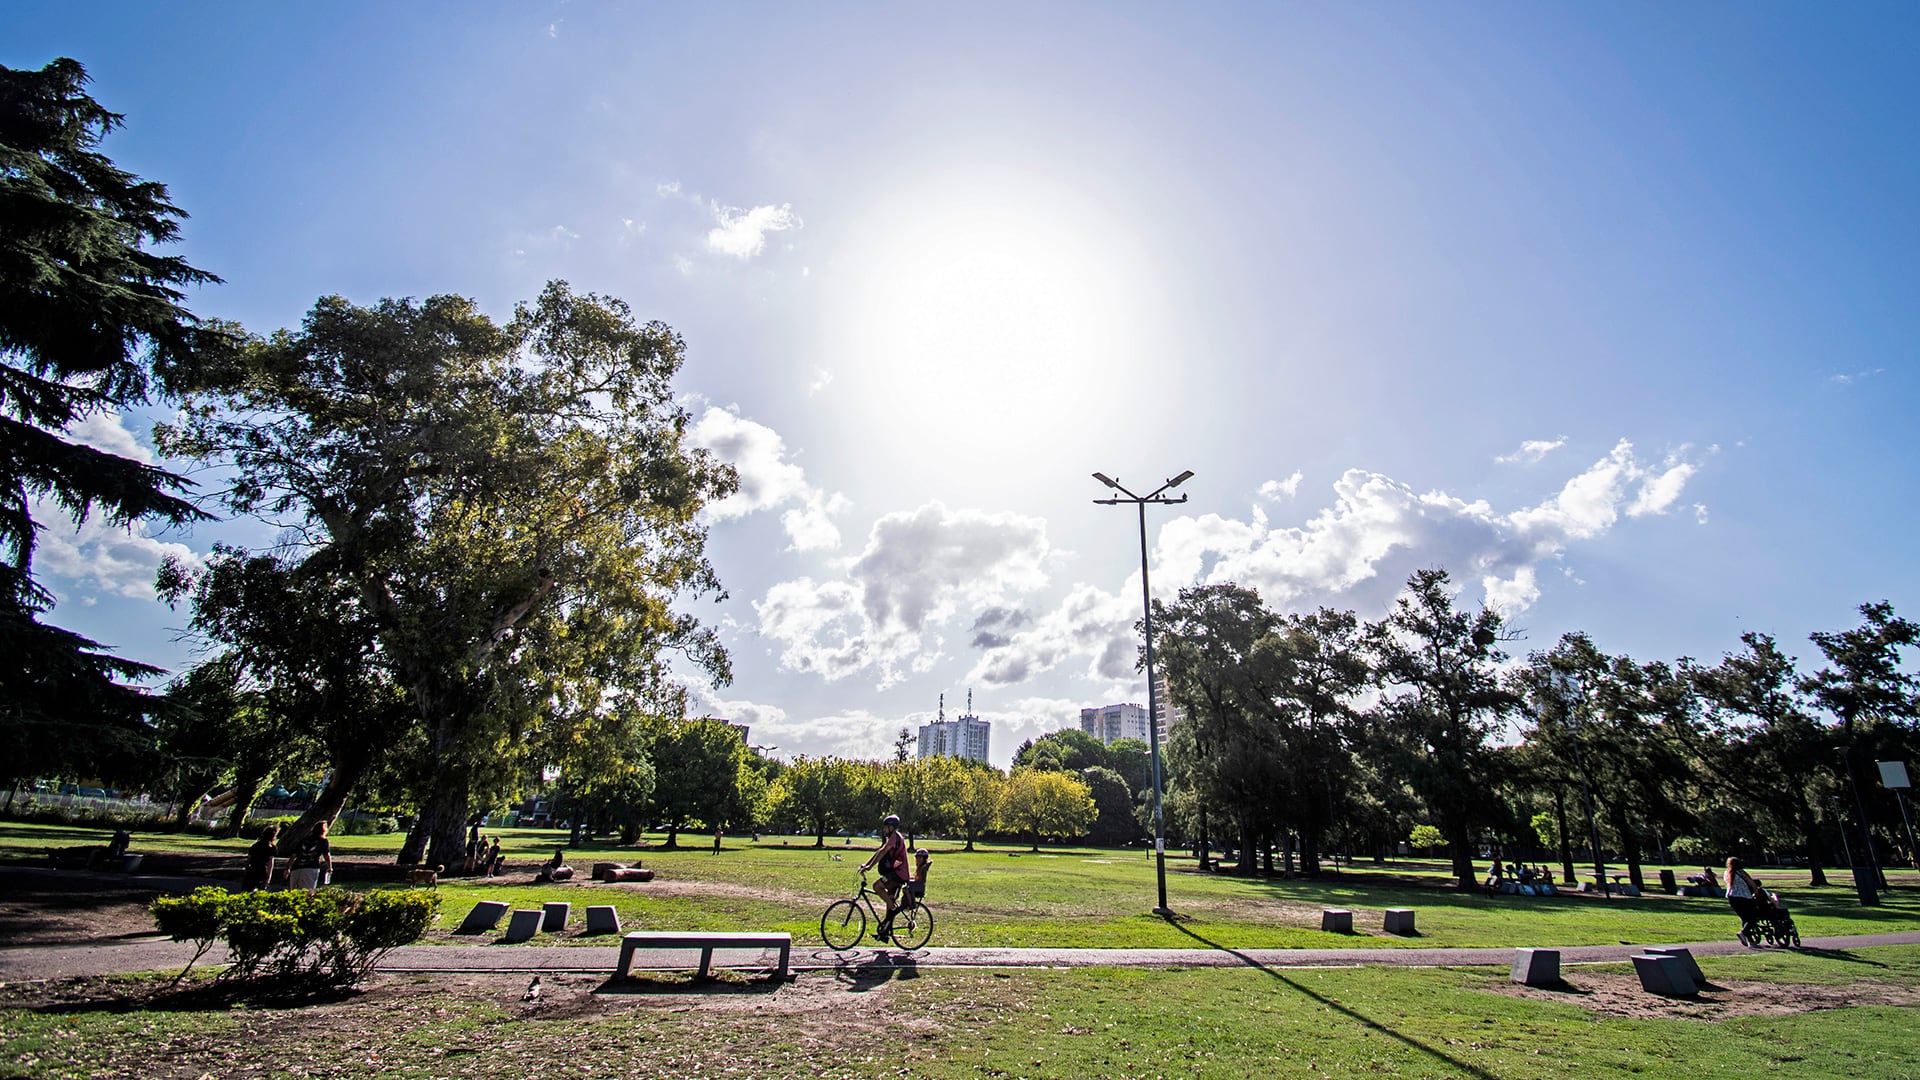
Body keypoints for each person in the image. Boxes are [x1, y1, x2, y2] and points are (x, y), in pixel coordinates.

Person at [860, 814, 912, 942]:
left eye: (886, 827)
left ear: (891, 827)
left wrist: (869, 867)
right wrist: (867, 865)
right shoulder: (892, 837)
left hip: (899, 873)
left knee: (877, 886)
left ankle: (894, 908)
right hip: (896, 872)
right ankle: (885, 932)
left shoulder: (895, 837)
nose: (884, 830)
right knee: (889, 899)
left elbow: (883, 852)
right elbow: (880, 851)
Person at [1726, 856, 1766, 944]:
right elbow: (1752, 884)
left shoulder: (1727, 873)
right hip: (1744, 897)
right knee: (1753, 917)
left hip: (1732, 897)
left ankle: (1750, 940)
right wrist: (1756, 892)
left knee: (1745, 918)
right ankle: (1744, 933)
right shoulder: (1741, 872)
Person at [287, 821, 333, 894]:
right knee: (308, 892)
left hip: (296, 868)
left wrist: (288, 868)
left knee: (293, 892)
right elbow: (326, 855)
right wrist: (329, 867)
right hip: (311, 868)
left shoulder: (303, 840)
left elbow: (293, 855)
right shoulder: (323, 841)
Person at [242, 824, 280, 892]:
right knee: (260, 891)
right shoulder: (272, 848)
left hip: (252, 870)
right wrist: (268, 879)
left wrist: (246, 870)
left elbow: (248, 860)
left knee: (247, 890)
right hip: (262, 871)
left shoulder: (255, 846)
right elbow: (270, 864)